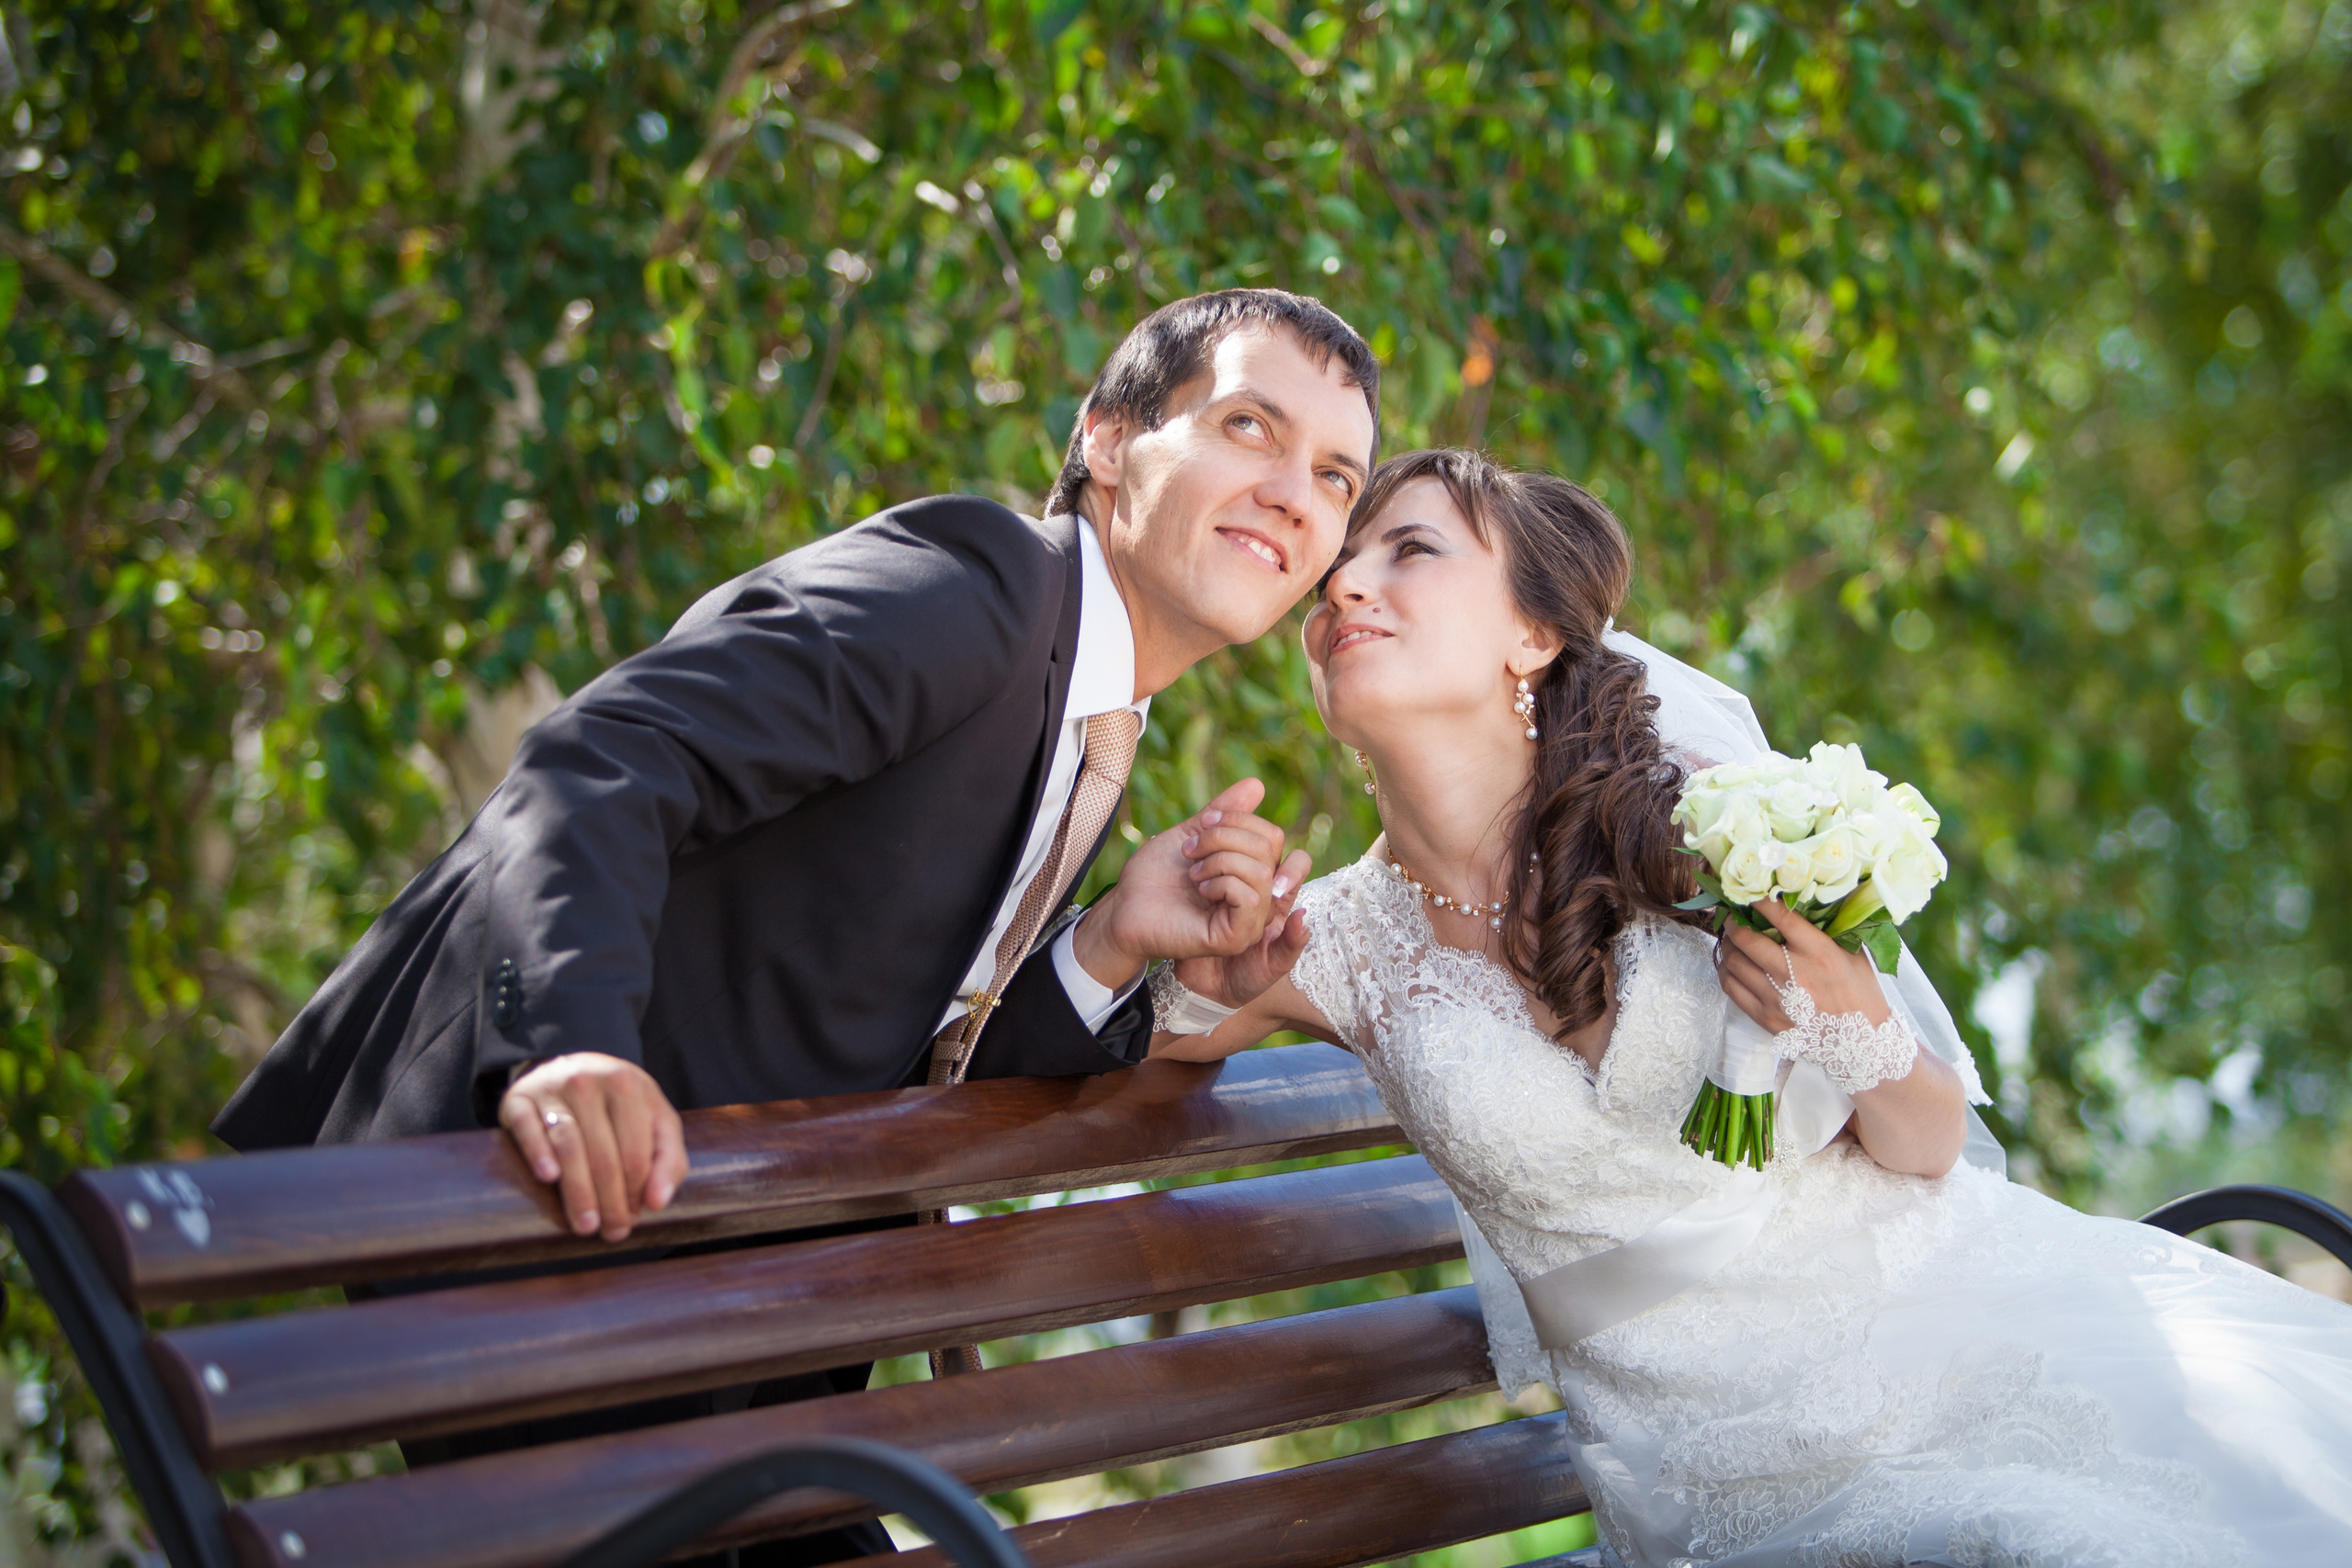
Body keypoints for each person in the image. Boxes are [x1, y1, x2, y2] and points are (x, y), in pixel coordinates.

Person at [209, 288, 1374, 1564]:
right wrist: (568, 1045)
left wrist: (1103, 947)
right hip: (556, 1230)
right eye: (1249, 426)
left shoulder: (1089, 709)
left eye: (1333, 474)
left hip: (737, 1307)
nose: (1292, 491)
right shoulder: (978, 586)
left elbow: (904, 1041)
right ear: (1103, 439)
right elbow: (604, 758)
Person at [1148, 447, 2352, 1565]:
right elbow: (1130, 1053)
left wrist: (1847, 1017)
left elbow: (1929, 1141)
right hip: (1714, 1479)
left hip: (1957, 1332)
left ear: (1529, 631)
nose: (1347, 582)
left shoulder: (1706, 821)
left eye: (1409, 548)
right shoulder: (1335, 939)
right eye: (1334, 568)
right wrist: (1192, 974)